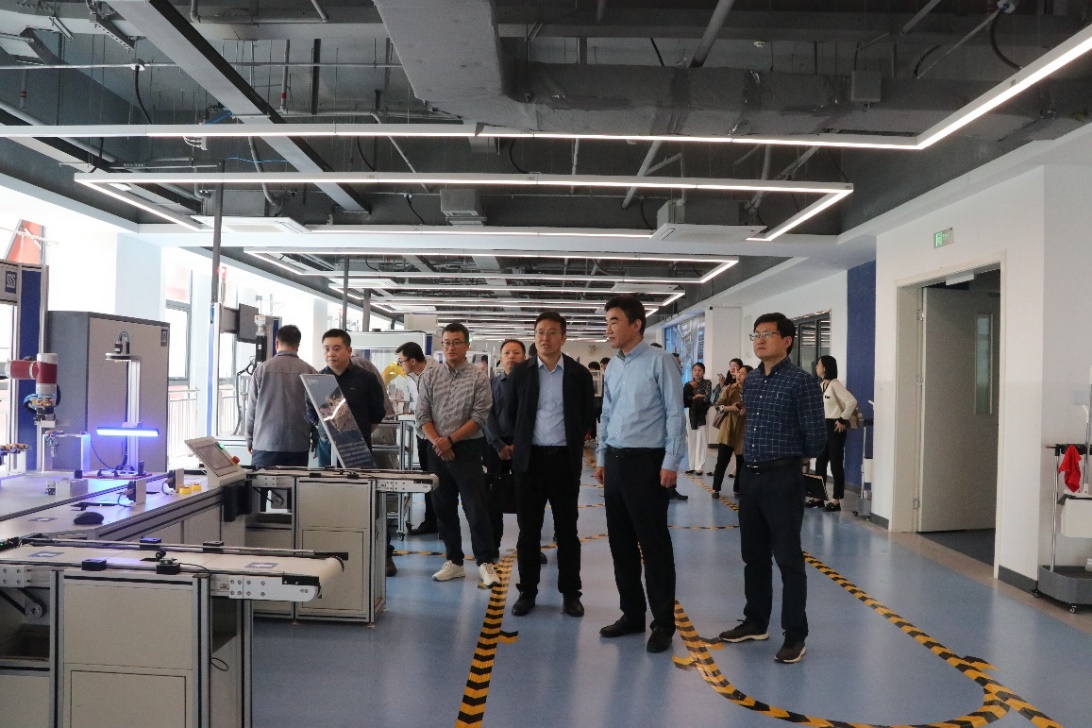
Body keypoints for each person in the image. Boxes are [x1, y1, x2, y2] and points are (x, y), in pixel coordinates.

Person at [718, 313, 825, 665]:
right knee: (753, 556)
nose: (760, 340)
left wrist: (788, 457)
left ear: (787, 340)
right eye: (756, 334)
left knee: (788, 560)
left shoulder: (801, 382)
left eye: (768, 334)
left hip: (783, 479)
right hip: (750, 477)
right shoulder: (751, 381)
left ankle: (795, 635)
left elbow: (816, 438)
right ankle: (755, 621)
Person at [594, 294, 685, 654]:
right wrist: (601, 456)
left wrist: (671, 461)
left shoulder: (660, 362)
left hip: (648, 463)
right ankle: (632, 614)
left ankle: (662, 623)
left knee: (654, 545)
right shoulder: (613, 367)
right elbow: (607, 414)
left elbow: (675, 413)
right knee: (621, 545)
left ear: (636, 325)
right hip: (616, 462)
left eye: (615, 321)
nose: (609, 328)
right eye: (607, 321)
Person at [506, 312, 595, 618]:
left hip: (563, 462)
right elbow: (510, 413)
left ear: (563, 337)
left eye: (552, 332)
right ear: (534, 337)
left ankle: (571, 593)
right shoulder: (521, 372)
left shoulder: (579, 374)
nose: (545, 338)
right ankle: (527, 592)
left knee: (567, 530)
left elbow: (587, 415)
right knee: (528, 531)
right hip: (529, 462)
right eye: (540, 332)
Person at [416, 323, 499, 587]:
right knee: (443, 508)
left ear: (466, 345)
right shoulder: (429, 376)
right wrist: (439, 443)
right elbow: (422, 415)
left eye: (456, 342)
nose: (451, 347)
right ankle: (454, 561)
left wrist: (450, 440)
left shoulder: (478, 377)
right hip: (436, 450)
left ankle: (485, 562)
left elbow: (480, 417)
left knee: (476, 508)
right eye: (447, 342)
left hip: (468, 450)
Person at [310, 328, 393, 574]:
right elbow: (310, 414)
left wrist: (356, 437)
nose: (331, 353)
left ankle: (384, 554)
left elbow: (377, 413)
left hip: (358, 451)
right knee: (328, 502)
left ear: (348, 350)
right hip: (327, 452)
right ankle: (333, 553)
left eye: (336, 348)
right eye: (327, 349)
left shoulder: (365, 379)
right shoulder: (316, 381)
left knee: (368, 503)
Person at [245, 324, 317, 468]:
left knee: (261, 482)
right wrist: (315, 438)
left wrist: (249, 439)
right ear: (297, 346)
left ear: (276, 343)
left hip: (265, 443)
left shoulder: (261, 370)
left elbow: (252, 409)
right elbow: (317, 412)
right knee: (294, 482)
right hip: (298, 445)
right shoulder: (310, 371)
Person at [483, 339, 526, 551]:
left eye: (516, 353)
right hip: (495, 448)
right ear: (500, 358)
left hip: (524, 448)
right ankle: (492, 545)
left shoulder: (531, 385)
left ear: (524, 357)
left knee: (527, 497)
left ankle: (528, 547)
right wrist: (499, 445)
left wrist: (520, 443)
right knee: (493, 498)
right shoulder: (491, 385)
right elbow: (486, 415)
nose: (511, 356)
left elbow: (532, 417)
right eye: (507, 353)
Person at [397, 341, 439, 536]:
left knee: (439, 480)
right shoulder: (410, 376)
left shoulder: (437, 372)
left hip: (437, 434)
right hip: (422, 433)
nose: (400, 365)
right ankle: (431, 522)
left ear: (412, 360)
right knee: (427, 478)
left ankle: (441, 523)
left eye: (401, 361)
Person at [814, 355, 857, 512]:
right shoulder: (822, 385)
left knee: (836, 463)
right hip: (824, 426)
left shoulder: (835, 385)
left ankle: (836, 500)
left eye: (818, 365)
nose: (816, 367)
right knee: (820, 462)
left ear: (825, 368)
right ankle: (818, 497)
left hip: (835, 428)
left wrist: (842, 419)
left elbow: (851, 401)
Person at [710, 364, 751, 496]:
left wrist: (747, 410)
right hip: (728, 429)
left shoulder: (753, 391)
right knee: (722, 461)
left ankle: (738, 488)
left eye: (743, 373)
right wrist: (730, 408)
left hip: (744, 430)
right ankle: (716, 488)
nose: (739, 375)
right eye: (739, 372)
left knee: (741, 462)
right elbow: (717, 407)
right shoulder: (729, 388)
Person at [683, 362, 712, 475]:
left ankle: (700, 466)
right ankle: (692, 465)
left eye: (699, 370)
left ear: (703, 372)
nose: (697, 372)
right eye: (695, 370)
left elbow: (708, 398)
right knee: (692, 440)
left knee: (702, 439)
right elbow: (685, 400)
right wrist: (695, 397)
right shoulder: (688, 384)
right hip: (691, 413)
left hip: (702, 414)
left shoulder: (707, 383)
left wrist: (699, 397)